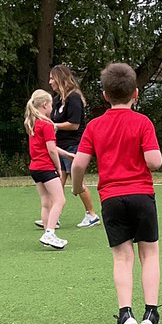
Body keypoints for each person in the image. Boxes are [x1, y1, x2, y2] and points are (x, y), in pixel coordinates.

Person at [70, 62, 162, 324]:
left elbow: (78, 165)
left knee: (122, 257)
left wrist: (76, 188)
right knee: (149, 253)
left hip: (111, 198)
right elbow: (154, 161)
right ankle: (150, 314)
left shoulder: (95, 126)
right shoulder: (143, 122)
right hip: (142, 195)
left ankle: (125, 314)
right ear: (135, 93)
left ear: (104, 95)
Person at [47, 65, 100, 229]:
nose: (49, 82)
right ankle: (52, 217)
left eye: (52, 78)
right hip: (61, 145)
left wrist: (55, 126)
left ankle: (91, 214)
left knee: (77, 181)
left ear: (60, 79)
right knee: (59, 180)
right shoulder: (58, 100)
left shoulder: (74, 98)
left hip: (74, 145)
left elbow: (75, 125)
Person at [24, 89, 75, 250]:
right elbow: (51, 149)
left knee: (46, 202)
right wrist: (59, 168)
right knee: (60, 200)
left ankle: (48, 232)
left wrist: (67, 154)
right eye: (51, 105)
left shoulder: (33, 123)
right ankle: (50, 232)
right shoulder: (46, 124)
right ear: (45, 105)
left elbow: (48, 147)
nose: (52, 108)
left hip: (35, 168)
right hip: (46, 167)